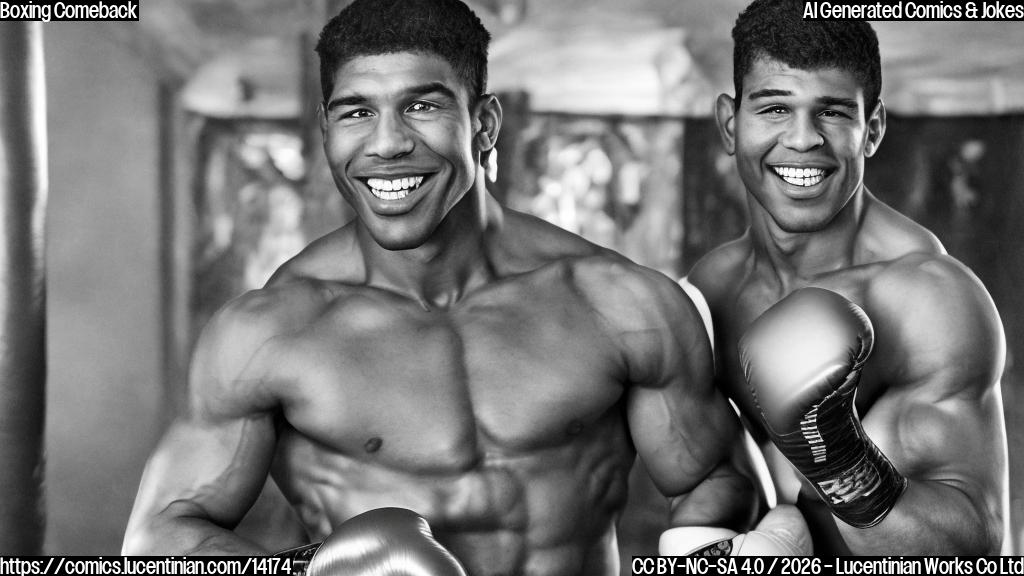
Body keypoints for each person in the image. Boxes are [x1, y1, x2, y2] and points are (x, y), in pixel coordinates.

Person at [122, 0, 805, 572]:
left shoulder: (621, 304)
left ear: (482, 124)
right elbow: (159, 539)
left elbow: (717, 480)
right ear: (327, 130)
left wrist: (698, 555)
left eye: (421, 106)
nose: (386, 144)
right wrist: (313, 569)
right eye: (356, 112)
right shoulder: (269, 332)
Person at [686, 0, 1009, 556]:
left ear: (872, 129)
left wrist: (836, 455)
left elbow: (975, 546)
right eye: (773, 109)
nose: (804, 139)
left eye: (833, 112)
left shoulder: (929, 299)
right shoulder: (713, 286)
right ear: (728, 124)